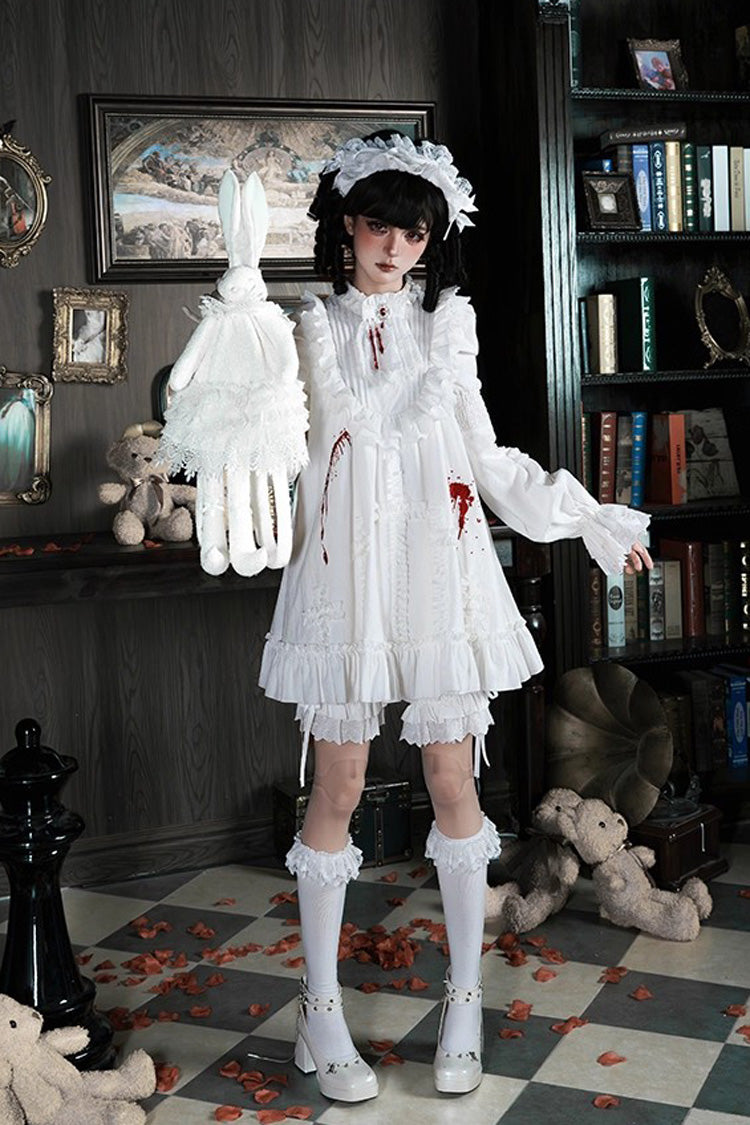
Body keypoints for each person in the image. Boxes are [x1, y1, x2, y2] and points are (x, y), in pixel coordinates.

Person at [258, 132, 652, 1103]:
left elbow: (486, 455)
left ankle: (465, 1002)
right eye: (380, 226)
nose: (396, 247)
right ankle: (319, 1011)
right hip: (346, 577)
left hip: (439, 568)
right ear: (347, 226)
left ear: (433, 241)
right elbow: (280, 452)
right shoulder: (309, 328)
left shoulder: (448, 328)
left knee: (451, 780)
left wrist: (586, 516)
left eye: (416, 233)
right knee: (338, 786)